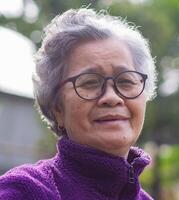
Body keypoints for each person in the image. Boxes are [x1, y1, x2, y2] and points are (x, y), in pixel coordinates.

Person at [0, 8, 157, 200]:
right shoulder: (25, 191)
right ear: (57, 108)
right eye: (90, 82)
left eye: (126, 81)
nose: (112, 97)